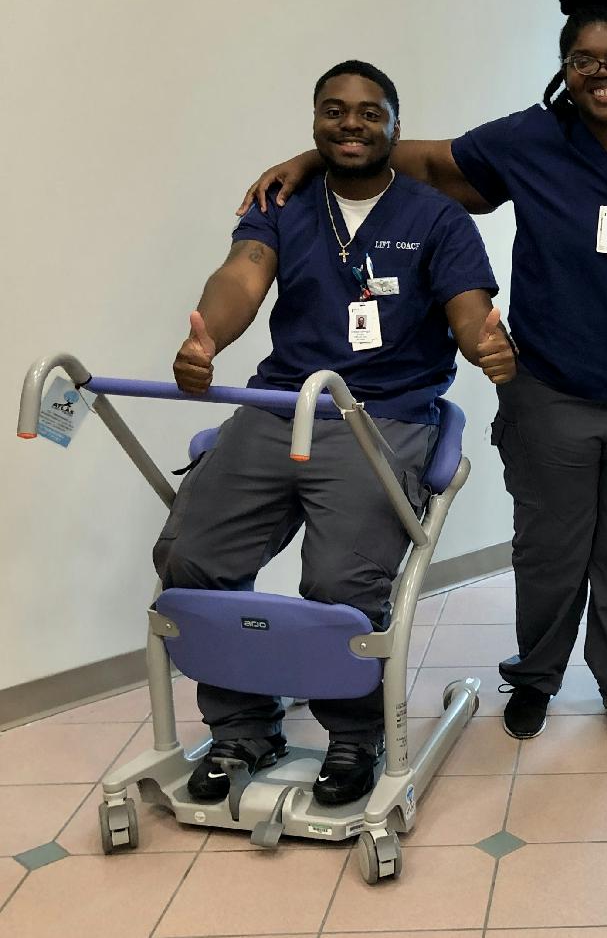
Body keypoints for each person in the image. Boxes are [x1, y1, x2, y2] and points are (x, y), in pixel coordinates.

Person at [242, 0, 607, 748]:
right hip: (552, 394)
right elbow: (418, 163)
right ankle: (536, 675)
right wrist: (313, 158)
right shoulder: (529, 140)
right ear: (564, 72)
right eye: (584, 59)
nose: (601, 71)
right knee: (549, 551)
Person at [161, 60, 514, 806]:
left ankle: (355, 735)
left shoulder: (435, 217)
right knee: (192, 559)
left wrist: (485, 343)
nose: (351, 123)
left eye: (368, 111)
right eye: (334, 110)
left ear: (394, 123)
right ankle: (241, 729)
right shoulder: (285, 202)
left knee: (341, 587)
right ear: (315, 121)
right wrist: (205, 344)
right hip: (281, 407)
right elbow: (242, 276)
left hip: (382, 416)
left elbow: (466, 304)